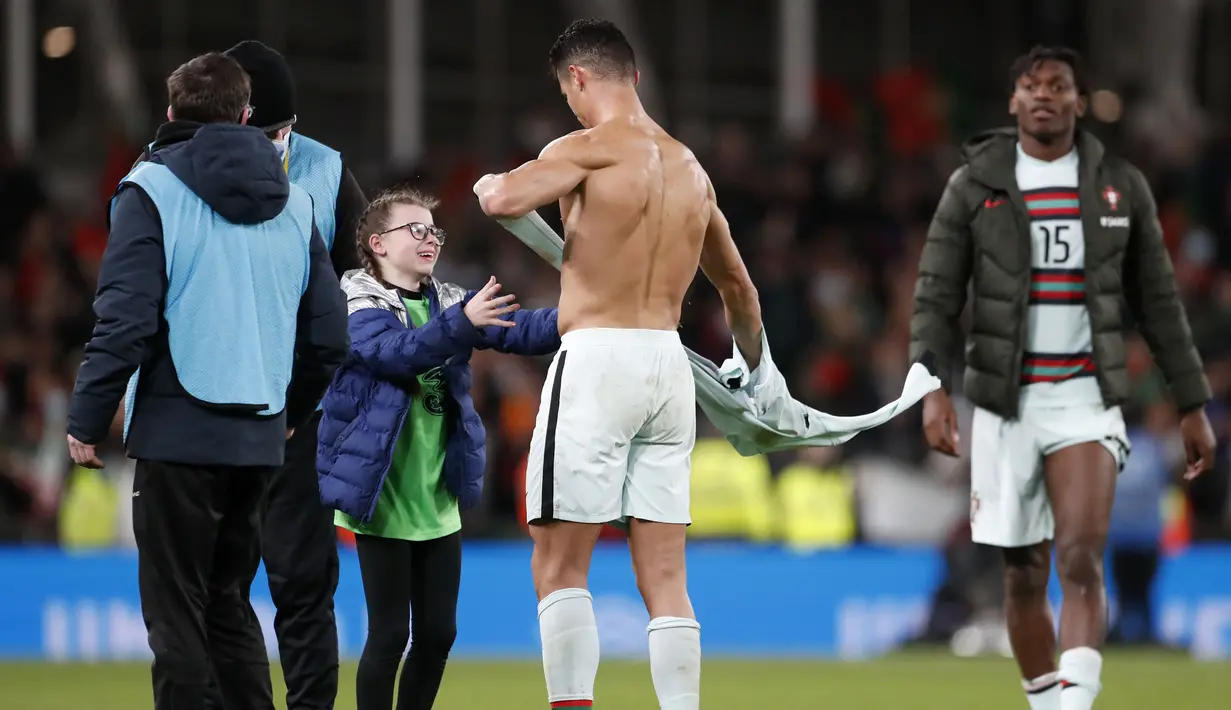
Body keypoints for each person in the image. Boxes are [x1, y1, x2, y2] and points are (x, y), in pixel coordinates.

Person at [910, 45, 1216, 710]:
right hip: (1001, 403)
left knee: (1080, 556)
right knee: (1022, 577)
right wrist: (929, 386)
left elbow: (1157, 301)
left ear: (1079, 102)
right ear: (1013, 102)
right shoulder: (975, 184)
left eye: (1058, 85)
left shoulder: (1117, 185)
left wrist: (1190, 402)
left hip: (1085, 398)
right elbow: (935, 293)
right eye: (1030, 84)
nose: (1043, 94)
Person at [473, 18, 763, 710]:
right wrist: (756, 375)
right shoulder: (692, 169)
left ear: (578, 79)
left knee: (558, 565)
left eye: (567, 92)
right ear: (633, 76)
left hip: (597, 357)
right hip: (667, 366)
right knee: (665, 576)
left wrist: (489, 185)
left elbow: (506, 200)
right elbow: (741, 295)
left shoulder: (586, 148)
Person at [65, 53, 349, 710]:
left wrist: (87, 417)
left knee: (177, 618)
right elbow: (329, 335)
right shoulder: (297, 202)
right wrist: (288, 411)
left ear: (170, 115)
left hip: (177, 431)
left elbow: (125, 317)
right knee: (228, 608)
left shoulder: (150, 189)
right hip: (257, 440)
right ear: (248, 116)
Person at [317, 186, 560, 710]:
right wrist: (462, 323)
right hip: (382, 493)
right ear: (377, 243)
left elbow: (516, 329)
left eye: (434, 230)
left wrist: (580, 317)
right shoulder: (357, 295)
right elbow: (390, 353)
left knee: (438, 635)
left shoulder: (446, 299)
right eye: (416, 229)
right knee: (388, 636)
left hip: (434, 496)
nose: (430, 238)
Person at [220, 39, 367, 710]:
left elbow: (364, 292)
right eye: (266, 130)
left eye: (284, 131)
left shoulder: (329, 175)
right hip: (215, 407)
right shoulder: (174, 172)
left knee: (304, 583)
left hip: (302, 414)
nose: (278, 142)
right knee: (216, 587)